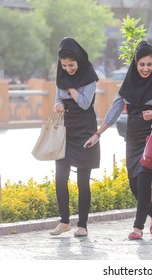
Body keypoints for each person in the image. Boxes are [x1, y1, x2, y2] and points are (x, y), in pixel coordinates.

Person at [84, 40, 152, 240]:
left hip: (151, 137)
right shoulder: (128, 84)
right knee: (134, 185)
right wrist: (98, 133)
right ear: (135, 64)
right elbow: (114, 112)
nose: (146, 68)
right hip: (132, 138)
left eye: (149, 64)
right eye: (142, 64)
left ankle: (137, 227)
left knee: (143, 181)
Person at [50, 37, 100, 237]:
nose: (68, 69)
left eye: (71, 65)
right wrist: (58, 105)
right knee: (60, 177)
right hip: (66, 131)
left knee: (82, 180)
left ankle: (82, 225)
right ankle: (64, 222)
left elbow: (85, 103)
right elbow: (57, 98)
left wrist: (70, 87)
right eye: (64, 65)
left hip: (85, 130)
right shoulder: (61, 75)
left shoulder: (90, 75)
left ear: (78, 60)